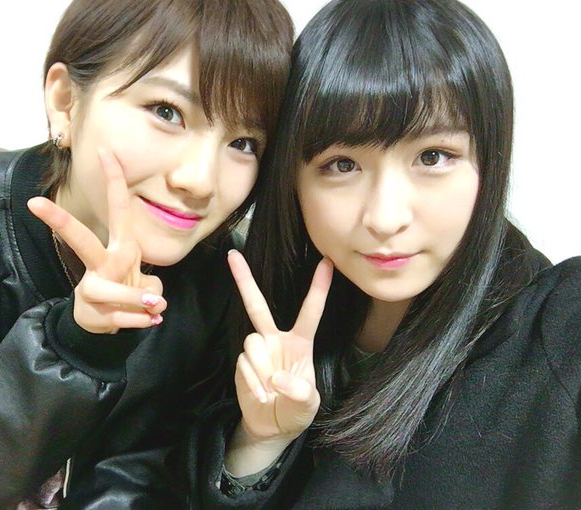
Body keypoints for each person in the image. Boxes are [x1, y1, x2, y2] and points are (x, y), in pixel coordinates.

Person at [187, 0, 581, 508]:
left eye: (433, 157)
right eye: (342, 164)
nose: (385, 217)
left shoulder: (557, 327)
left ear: (489, 161)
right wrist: (260, 442)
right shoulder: (262, 315)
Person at [0, 0, 293, 508]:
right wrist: (76, 346)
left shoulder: (221, 284)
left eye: (243, 142)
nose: (200, 180)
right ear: (65, 101)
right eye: (167, 112)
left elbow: (153, 476)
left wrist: (261, 440)